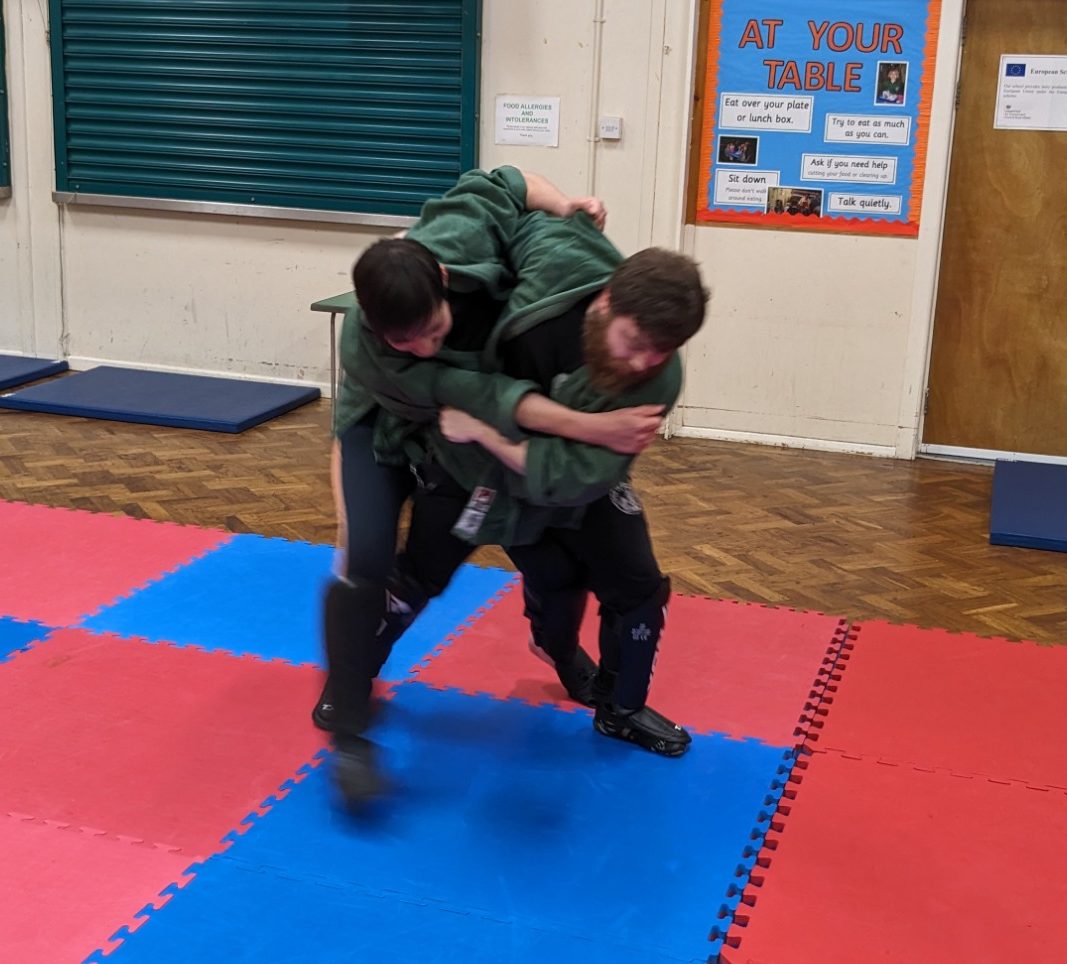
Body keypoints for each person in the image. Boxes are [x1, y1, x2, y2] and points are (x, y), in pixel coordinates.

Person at [323, 166, 706, 806]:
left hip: (561, 481)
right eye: (635, 342)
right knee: (414, 576)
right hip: (467, 467)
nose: (644, 362)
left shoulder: (655, 379)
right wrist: (508, 433)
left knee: (629, 584)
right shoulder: (555, 267)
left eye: (662, 351)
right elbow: (462, 389)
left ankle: (617, 705)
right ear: (606, 300)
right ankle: (351, 684)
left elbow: (579, 474)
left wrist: (565, 200)